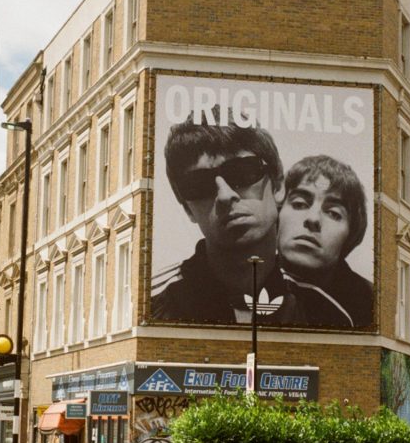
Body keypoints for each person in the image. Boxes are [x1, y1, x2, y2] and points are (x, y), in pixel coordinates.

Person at [152, 108, 305, 324]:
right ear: (187, 208)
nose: (225, 196)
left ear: (278, 185)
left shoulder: (324, 306)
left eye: (241, 173)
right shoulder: (151, 303)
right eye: (199, 185)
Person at [278, 154, 373, 327]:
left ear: (351, 235)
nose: (313, 218)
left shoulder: (370, 305)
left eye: (334, 213)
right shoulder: (245, 279)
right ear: (277, 214)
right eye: (299, 204)